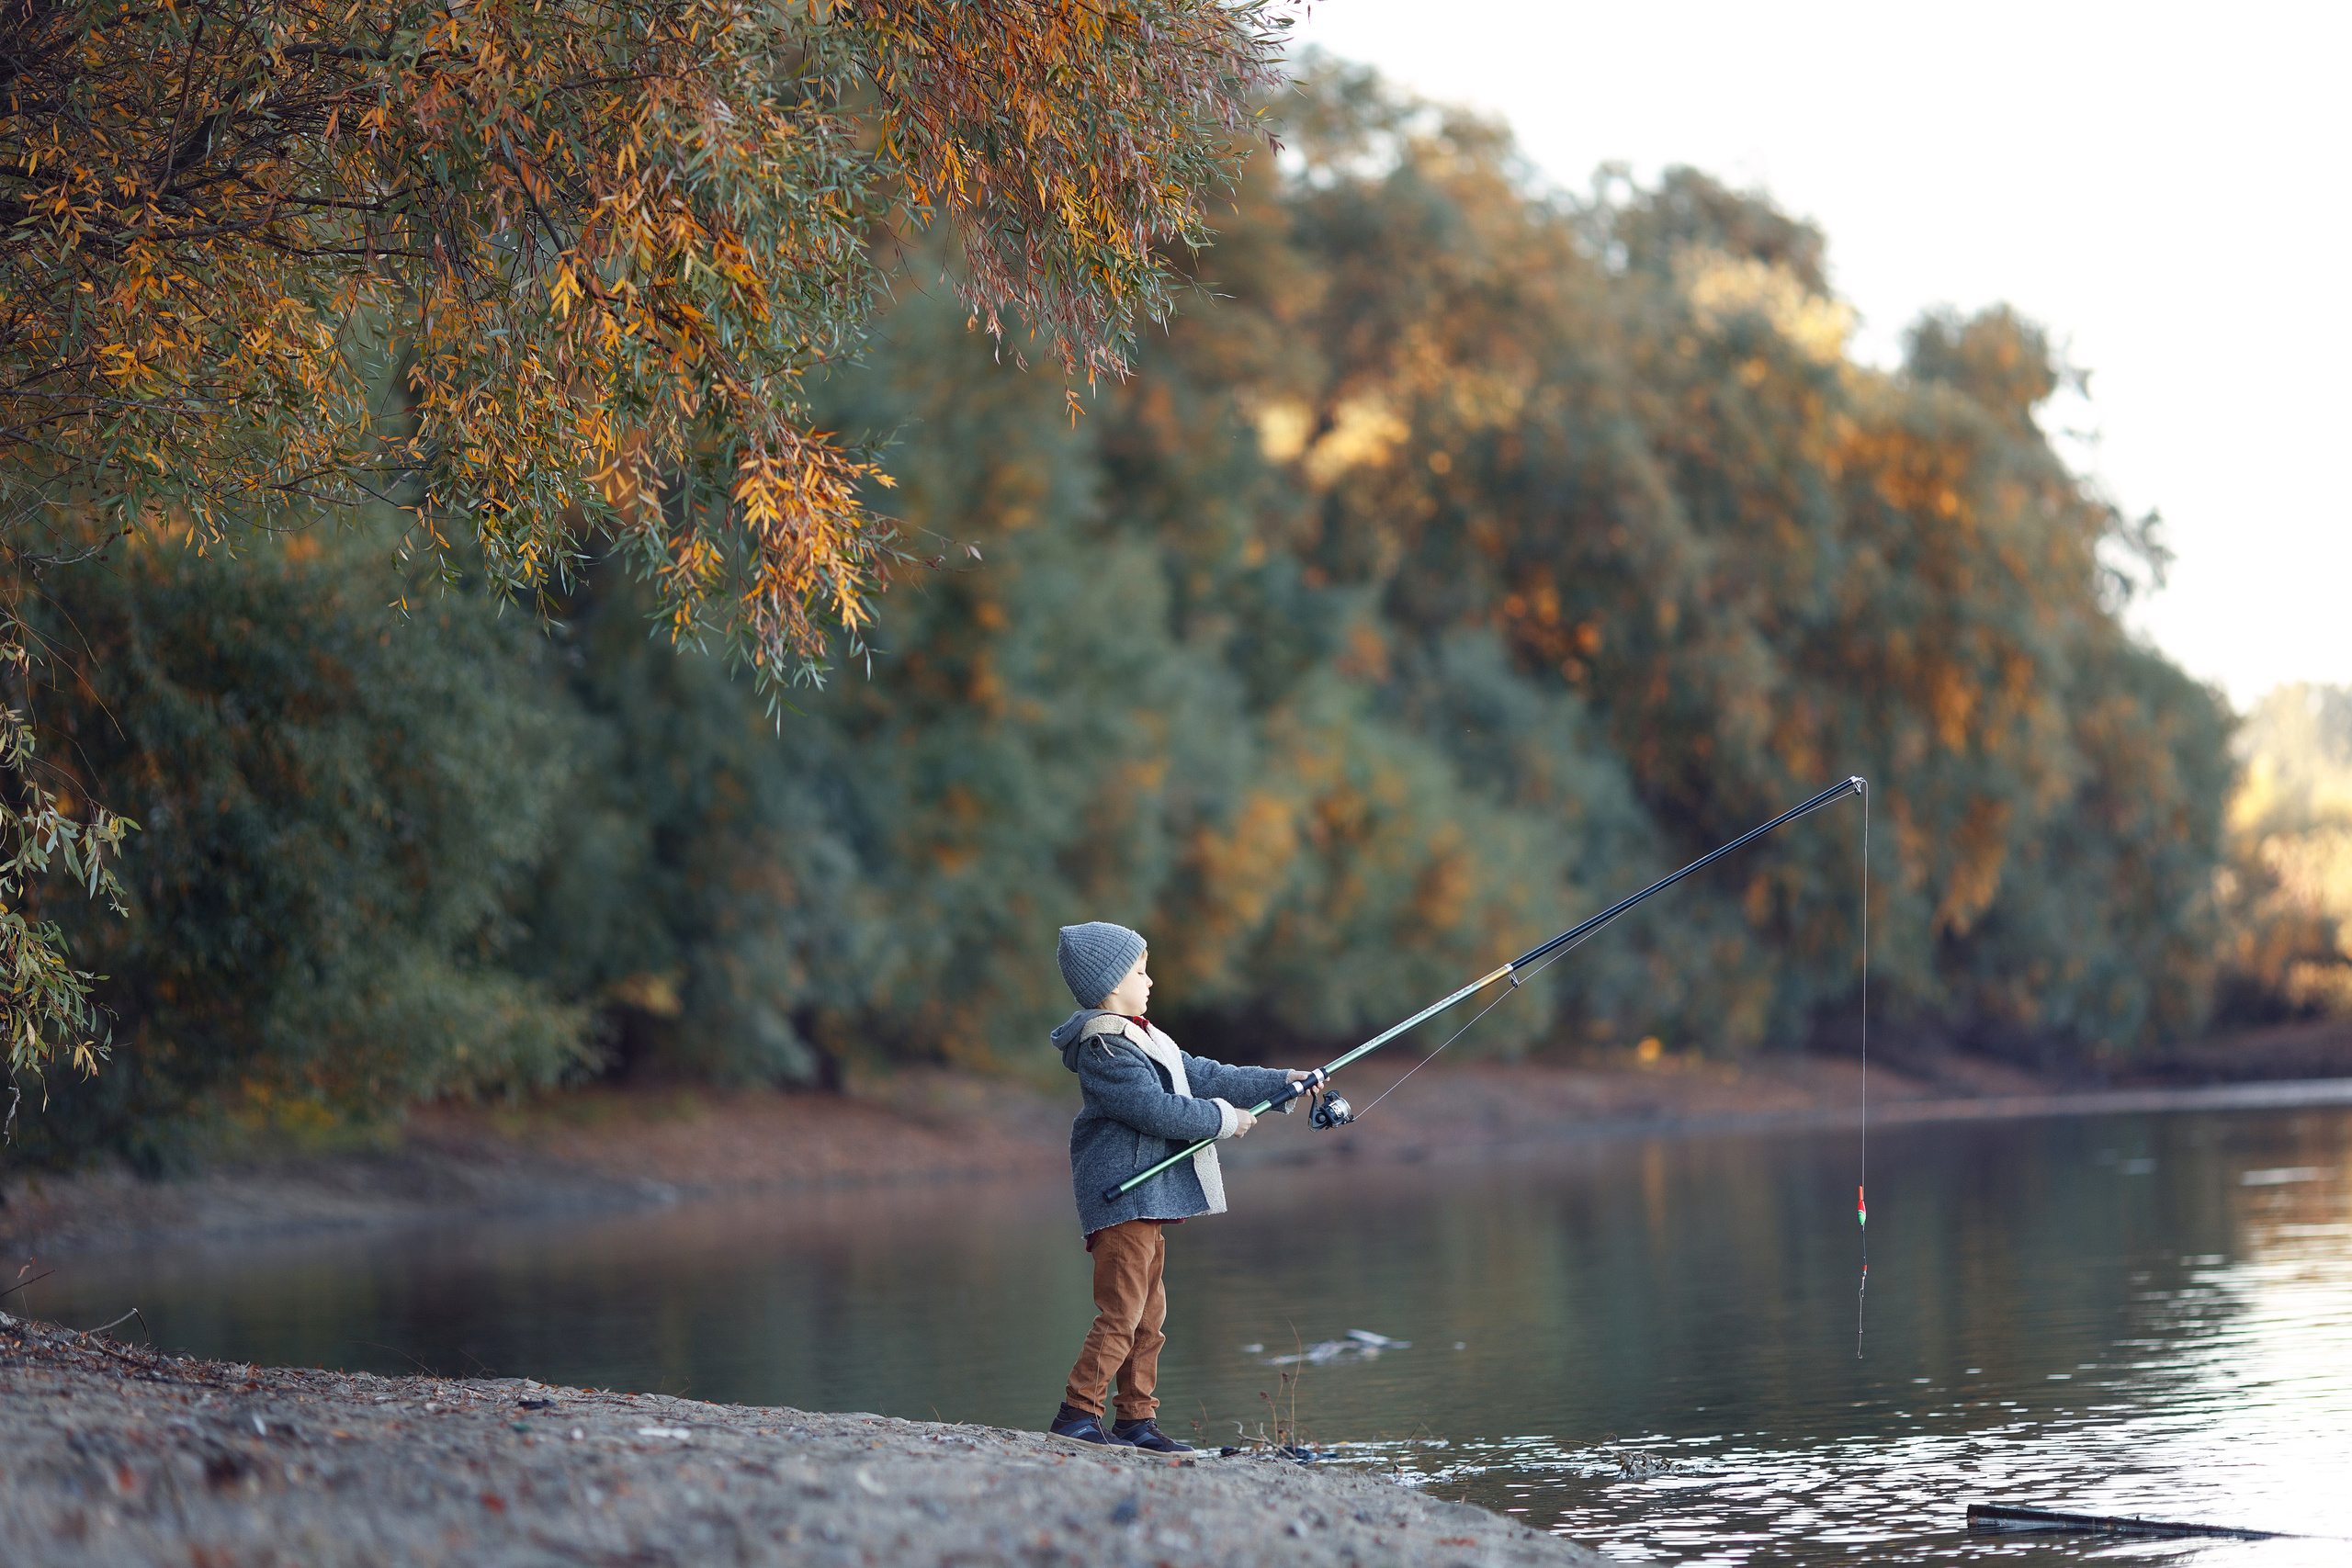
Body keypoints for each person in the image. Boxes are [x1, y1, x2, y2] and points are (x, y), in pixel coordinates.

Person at [1046, 920, 1310, 1452]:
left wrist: (1282, 1083)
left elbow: (1207, 1074)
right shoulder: (1105, 1049)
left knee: (1150, 1316)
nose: (1150, 981)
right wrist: (1221, 1120)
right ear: (1110, 985)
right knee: (1122, 1312)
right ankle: (1077, 1413)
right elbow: (1153, 1110)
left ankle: (1135, 1422)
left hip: (1149, 1201)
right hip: (1120, 1200)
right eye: (1140, 971)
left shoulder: (1146, 1038)